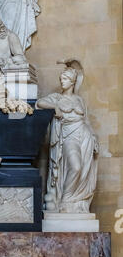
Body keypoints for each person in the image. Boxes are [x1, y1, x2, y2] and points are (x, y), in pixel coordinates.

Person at [36, 59, 99, 213]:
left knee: (83, 169)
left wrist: (93, 137)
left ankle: (75, 203)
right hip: (68, 135)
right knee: (76, 167)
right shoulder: (57, 98)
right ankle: (65, 200)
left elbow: (87, 121)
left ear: (72, 82)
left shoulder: (79, 100)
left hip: (84, 135)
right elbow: (39, 103)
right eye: (61, 79)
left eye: (64, 79)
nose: (61, 82)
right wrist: (55, 106)